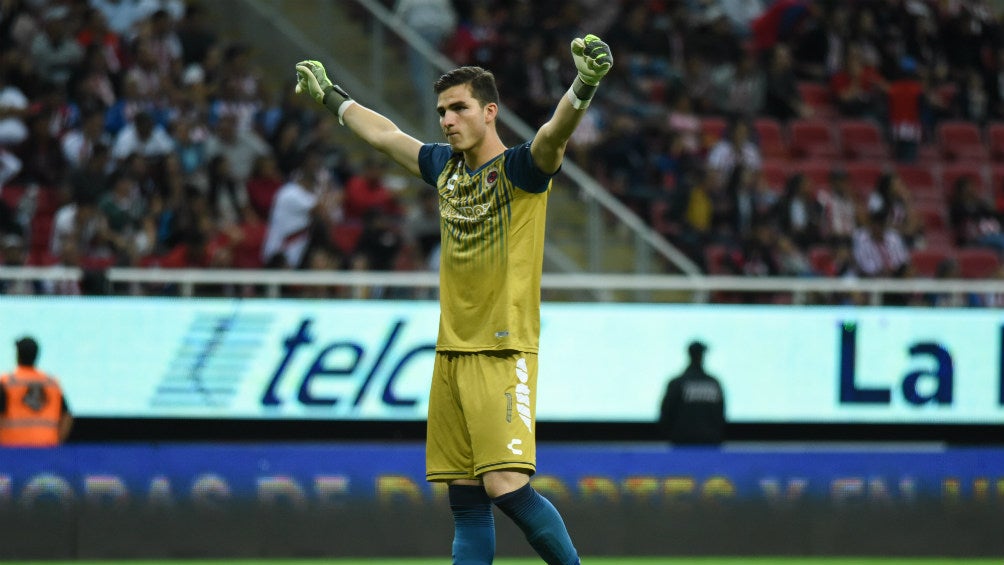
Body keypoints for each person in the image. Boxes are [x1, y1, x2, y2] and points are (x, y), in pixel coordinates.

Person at [294, 31, 613, 565]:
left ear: (489, 112)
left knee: (506, 485)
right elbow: (387, 136)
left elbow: (553, 135)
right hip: (451, 354)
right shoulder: (443, 168)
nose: (447, 120)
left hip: (501, 349)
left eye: (459, 108)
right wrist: (334, 96)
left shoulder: (521, 172)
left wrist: (583, 84)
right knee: (465, 501)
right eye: (442, 111)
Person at [0, 337, 73, 447]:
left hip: (11, 449)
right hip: (46, 448)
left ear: (17, 355)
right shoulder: (51, 383)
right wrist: (57, 440)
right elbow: (67, 416)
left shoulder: (6, 382)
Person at [658, 341, 726, 446]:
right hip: (710, 444)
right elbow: (721, 416)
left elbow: (665, 414)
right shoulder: (713, 383)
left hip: (681, 444)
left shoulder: (677, 383)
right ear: (702, 356)